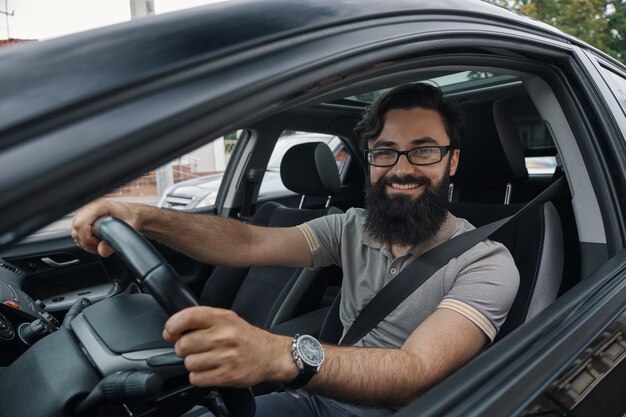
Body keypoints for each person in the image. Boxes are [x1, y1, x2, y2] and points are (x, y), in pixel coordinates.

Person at [72, 83, 519, 417]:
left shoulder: (486, 262)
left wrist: (277, 354)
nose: (401, 169)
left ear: (452, 160)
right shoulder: (350, 228)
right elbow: (247, 241)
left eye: (423, 151)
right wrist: (143, 217)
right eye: (385, 152)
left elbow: (416, 374)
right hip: (317, 399)